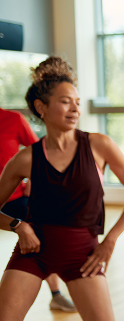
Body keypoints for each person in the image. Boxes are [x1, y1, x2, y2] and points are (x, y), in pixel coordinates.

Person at [0, 56, 124, 321]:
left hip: (83, 256)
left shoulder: (99, 145)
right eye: (65, 102)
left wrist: (110, 239)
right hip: (32, 254)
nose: (75, 110)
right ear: (41, 107)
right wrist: (18, 226)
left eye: (77, 103)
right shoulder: (25, 159)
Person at [0, 107, 77, 312]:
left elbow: (40, 149)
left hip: (15, 197)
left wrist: (34, 180)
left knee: (41, 236)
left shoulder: (13, 119)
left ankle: (56, 295)